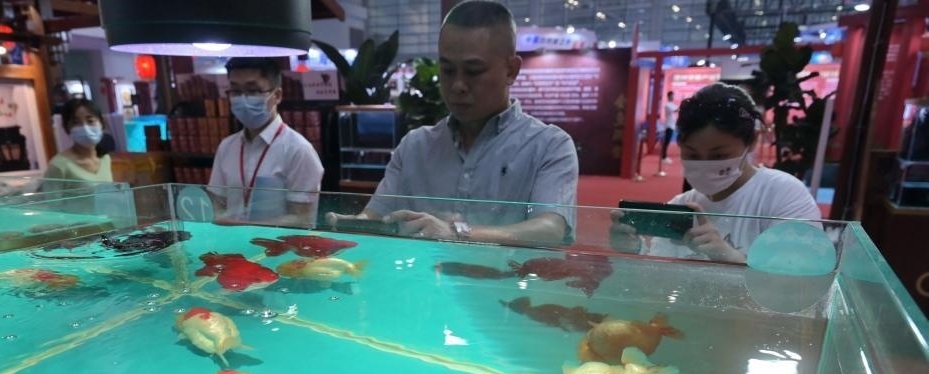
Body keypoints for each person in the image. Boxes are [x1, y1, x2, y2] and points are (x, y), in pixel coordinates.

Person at [328, 0, 578, 245]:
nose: (458, 85)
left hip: (509, 273)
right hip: (421, 273)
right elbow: (376, 215)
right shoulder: (415, 146)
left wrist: (456, 232)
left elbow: (551, 227)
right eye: (447, 70)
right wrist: (352, 224)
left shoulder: (549, 146)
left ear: (511, 70)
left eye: (473, 71)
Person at [611, 82, 821, 263]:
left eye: (719, 155)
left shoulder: (782, 194)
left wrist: (730, 257)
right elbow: (659, 277)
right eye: (692, 155)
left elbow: (800, 283)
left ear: (751, 142)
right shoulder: (681, 205)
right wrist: (633, 250)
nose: (704, 164)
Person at [208, 57, 324, 225]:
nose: (243, 99)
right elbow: (217, 203)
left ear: (276, 95)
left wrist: (245, 227)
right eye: (236, 91)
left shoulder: (299, 150)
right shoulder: (227, 147)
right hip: (230, 240)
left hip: (276, 241)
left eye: (253, 91)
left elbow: (303, 219)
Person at [45, 98, 113, 182]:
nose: (85, 128)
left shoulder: (105, 159)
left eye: (90, 121)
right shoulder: (59, 165)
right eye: (76, 123)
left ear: (101, 123)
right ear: (67, 128)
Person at [660, 90, 677, 165]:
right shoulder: (667, 105)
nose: (673, 97)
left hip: (672, 126)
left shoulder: (672, 104)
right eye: (672, 96)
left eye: (673, 96)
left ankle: (664, 156)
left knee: (667, 141)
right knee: (666, 142)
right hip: (668, 126)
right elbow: (676, 110)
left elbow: (678, 109)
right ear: (669, 96)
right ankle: (663, 157)